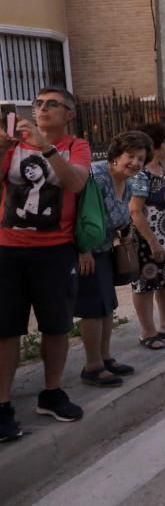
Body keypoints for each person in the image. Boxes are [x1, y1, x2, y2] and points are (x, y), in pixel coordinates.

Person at [0, 88, 90, 438]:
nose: (42, 109)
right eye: (38, 104)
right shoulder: (13, 144)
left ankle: (51, 392)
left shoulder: (74, 147)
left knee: (56, 326)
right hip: (8, 249)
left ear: (69, 114)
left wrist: (44, 146)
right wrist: (5, 148)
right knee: (5, 329)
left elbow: (76, 182)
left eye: (52, 104)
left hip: (55, 251)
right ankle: (3, 404)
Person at [74, 131, 151, 387]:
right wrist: (82, 250)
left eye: (141, 158)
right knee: (93, 309)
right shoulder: (96, 176)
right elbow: (77, 212)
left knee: (107, 306)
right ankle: (92, 366)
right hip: (87, 252)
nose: (136, 162)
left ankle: (105, 358)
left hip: (105, 250)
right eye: (131, 156)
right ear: (116, 154)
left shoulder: (127, 182)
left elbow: (120, 216)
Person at [128, 124, 165, 352]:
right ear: (154, 145)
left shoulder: (160, 169)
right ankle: (147, 331)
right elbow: (135, 210)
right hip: (148, 240)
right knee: (145, 285)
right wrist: (152, 241)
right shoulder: (141, 175)